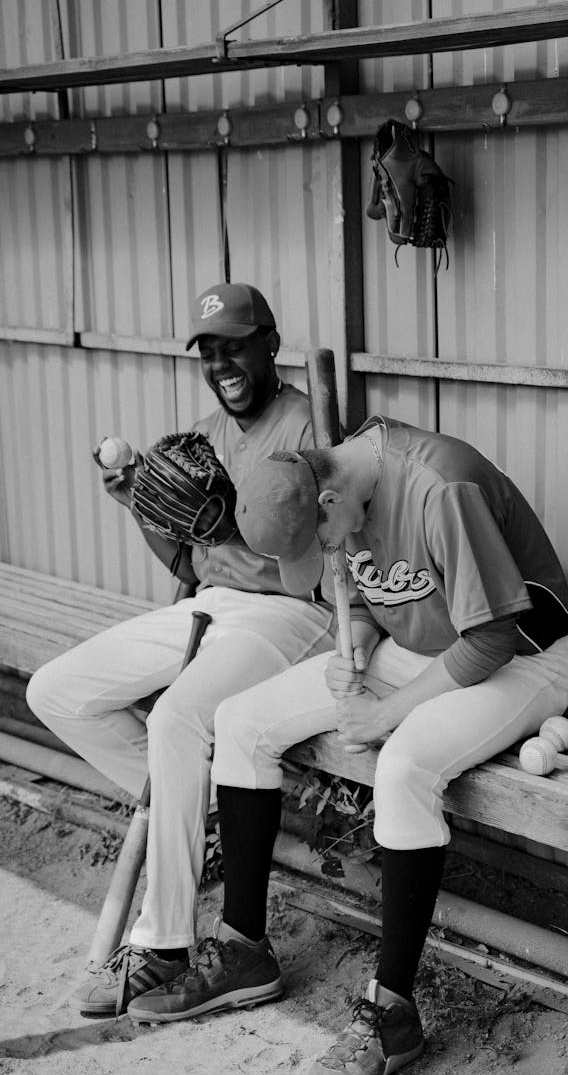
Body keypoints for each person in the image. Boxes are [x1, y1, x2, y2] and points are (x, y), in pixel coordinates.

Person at [125, 414, 568, 1075]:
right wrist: (358, 645)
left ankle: (392, 1014)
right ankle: (243, 948)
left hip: (517, 660)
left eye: (323, 537)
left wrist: (386, 711)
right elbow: (371, 593)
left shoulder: (441, 485)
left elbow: (488, 637)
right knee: (242, 720)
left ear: (328, 499)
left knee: (403, 767)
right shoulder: (335, 481)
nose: (330, 549)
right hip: (417, 651)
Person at [26, 282, 336, 1018]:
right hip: (211, 604)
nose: (222, 361)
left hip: (288, 614)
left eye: (235, 343)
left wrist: (241, 529)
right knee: (56, 690)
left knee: (174, 721)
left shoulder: (308, 427)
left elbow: (319, 562)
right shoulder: (203, 432)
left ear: (269, 342)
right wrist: (138, 498)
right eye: (208, 350)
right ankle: (194, 819)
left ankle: (162, 946)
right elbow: (189, 565)